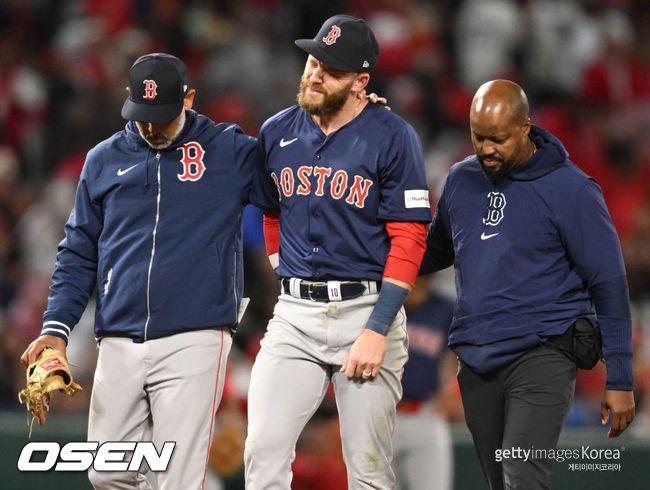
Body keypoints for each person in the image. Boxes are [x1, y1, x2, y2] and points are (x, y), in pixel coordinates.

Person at [20, 53, 259, 489]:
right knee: (106, 473)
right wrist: (56, 326)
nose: (151, 127)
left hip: (196, 335)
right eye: (142, 116)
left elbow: (295, 178)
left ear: (189, 99)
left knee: (178, 479)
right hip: (119, 336)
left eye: (163, 117)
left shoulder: (228, 151)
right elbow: (78, 250)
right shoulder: (104, 159)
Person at [243, 15, 432, 489]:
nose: (314, 73)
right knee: (262, 454)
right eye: (313, 60)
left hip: (367, 309)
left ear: (361, 81)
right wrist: (281, 272)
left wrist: (376, 327)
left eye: (331, 69)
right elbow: (270, 215)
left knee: (368, 470)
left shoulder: (393, 136)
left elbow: (409, 238)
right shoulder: (276, 132)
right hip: (294, 315)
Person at [420, 79, 635, 489]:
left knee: (523, 475)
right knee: (499, 481)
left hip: (543, 354)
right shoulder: (460, 180)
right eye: (477, 137)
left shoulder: (572, 190)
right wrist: (374, 261)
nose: (485, 149)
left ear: (524, 128)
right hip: (477, 358)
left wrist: (621, 377)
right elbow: (436, 252)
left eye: (497, 139)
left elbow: (609, 282)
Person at [392, 275, 455, 490]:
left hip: (425, 413)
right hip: (380, 414)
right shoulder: (381, 303)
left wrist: (451, 390)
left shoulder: (445, 308)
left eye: (423, 280)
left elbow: (458, 353)